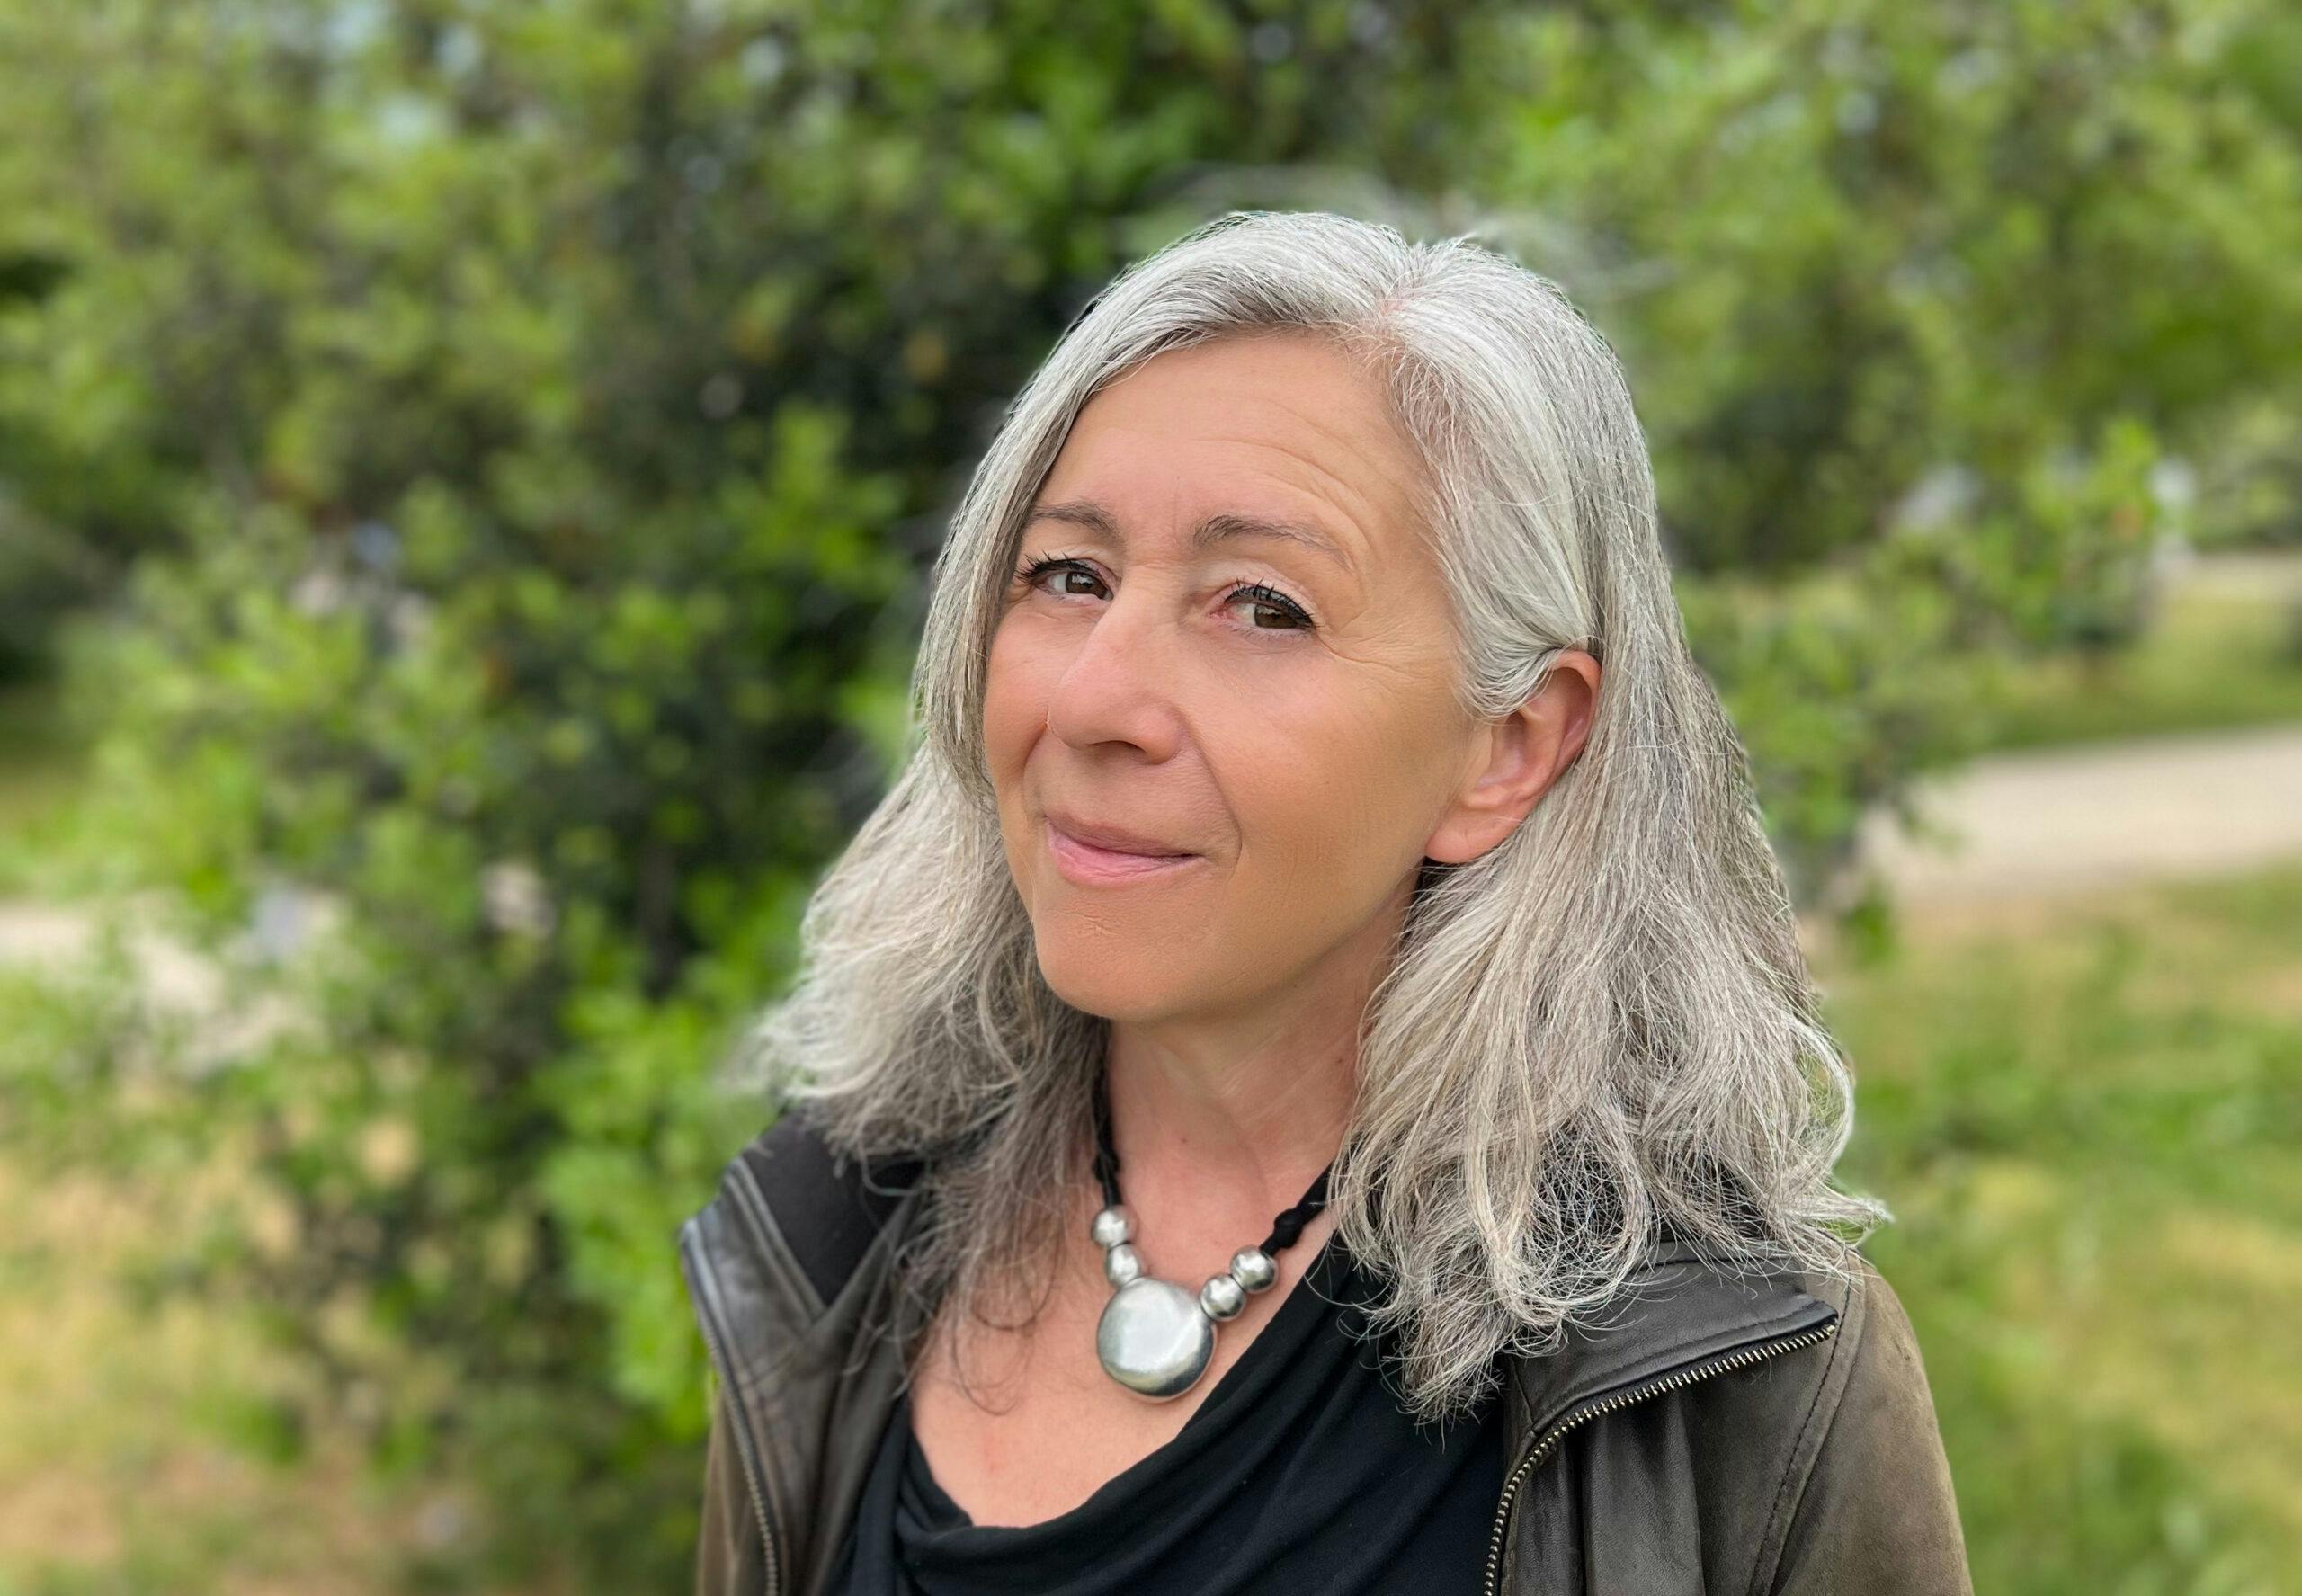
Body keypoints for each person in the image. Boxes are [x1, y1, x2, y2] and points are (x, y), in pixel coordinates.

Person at [677, 210, 1973, 1595]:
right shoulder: (837, 1244)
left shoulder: (1739, 1381)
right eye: (1069, 575)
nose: (1096, 698)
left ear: (1510, 748)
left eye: (1263, 606)